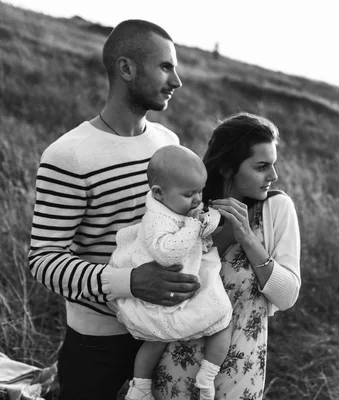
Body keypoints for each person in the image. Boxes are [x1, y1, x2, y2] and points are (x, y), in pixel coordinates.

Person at [27, 20, 200, 400]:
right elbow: (43, 259)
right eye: (166, 67)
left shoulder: (167, 143)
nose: (177, 81)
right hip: (97, 346)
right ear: (126, 69)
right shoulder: (69, 155)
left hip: (167, 333)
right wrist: (131, 282)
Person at [153, 112, 302, 400]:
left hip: (239, 370)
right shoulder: (189, 207)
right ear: (226, 168)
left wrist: (247, 238)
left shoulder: (276, 209)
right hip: (176, 364)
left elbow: (287, 296)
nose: (273, 176)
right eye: (261, 167)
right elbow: (166, 285)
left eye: (273, 165)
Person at [110, 145, 233, 400]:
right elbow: (168, 253)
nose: (198, 199)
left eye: (200, 190)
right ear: (158, 193)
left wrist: (205, 223)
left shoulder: (175, 207)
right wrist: (193, 225)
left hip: (174, 288)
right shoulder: (157, 219)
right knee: (218, 316)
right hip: (159, 295)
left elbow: (198, 231)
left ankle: (203, 377)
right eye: (190, 194)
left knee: (164, 338)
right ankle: (141, 387)